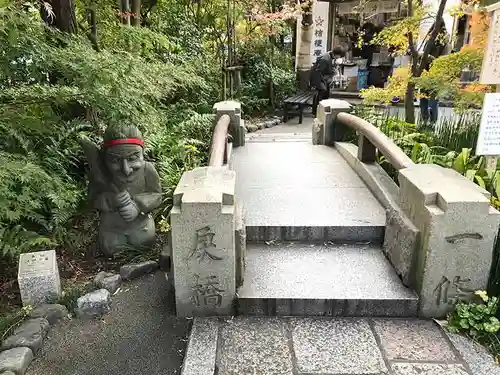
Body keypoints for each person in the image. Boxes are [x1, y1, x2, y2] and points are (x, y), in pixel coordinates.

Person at [419, 21, 448, 124]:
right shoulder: (429, 39)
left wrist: (432, 59)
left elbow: (445, 59)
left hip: (436, 73)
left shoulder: (444, 41)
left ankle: (432, 121)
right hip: (425, 72)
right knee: (423, 97)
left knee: (433, 99)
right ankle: (424, 119)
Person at [310, 46, 346, 116]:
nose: (339, 58)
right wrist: (323, 82)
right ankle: (317, 111)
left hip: (323, 77)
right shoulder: (325, 59)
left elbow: (329, 68)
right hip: (318, 77)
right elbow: (318, 72)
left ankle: (320, 110)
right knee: (322, 92)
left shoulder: (331, 56)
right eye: (339, 56)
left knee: (326, 93)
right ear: (336, 54)